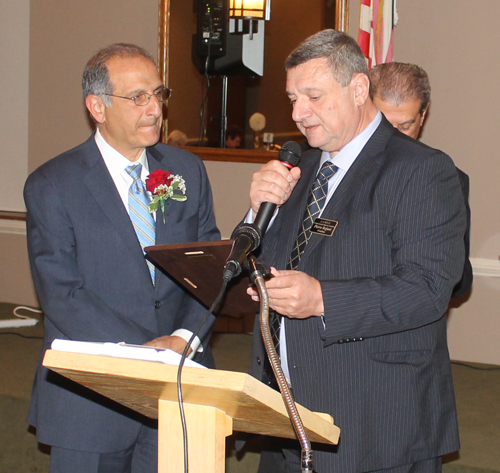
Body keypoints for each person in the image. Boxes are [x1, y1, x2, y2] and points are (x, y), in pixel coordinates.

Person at [246, 30, 466, 473]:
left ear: (359, 88)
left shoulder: (423, 170)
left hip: (374, 421)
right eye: (292, 98)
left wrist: (322, 299)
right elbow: (263, 266)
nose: (297, 112)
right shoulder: (301, 165)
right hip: (286, 411)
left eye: (312, 95)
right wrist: (255, 214)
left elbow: (428, 289)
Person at [24, 43, 220, 473]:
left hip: (180, 384)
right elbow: (62, 295)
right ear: (97, 106)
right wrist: (146, 354)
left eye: (158, 94)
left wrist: (185, 337)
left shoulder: (185, 170)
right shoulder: (53, 185)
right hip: (92, 398)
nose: (154, 109)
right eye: (138, 98)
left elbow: (208, 269)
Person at [369, 62, 472, 298]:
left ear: (423, 116)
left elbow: (460, 281)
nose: (392, 136)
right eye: (382, 124)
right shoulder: (332, 165)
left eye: (404, 126)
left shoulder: (446, 179)